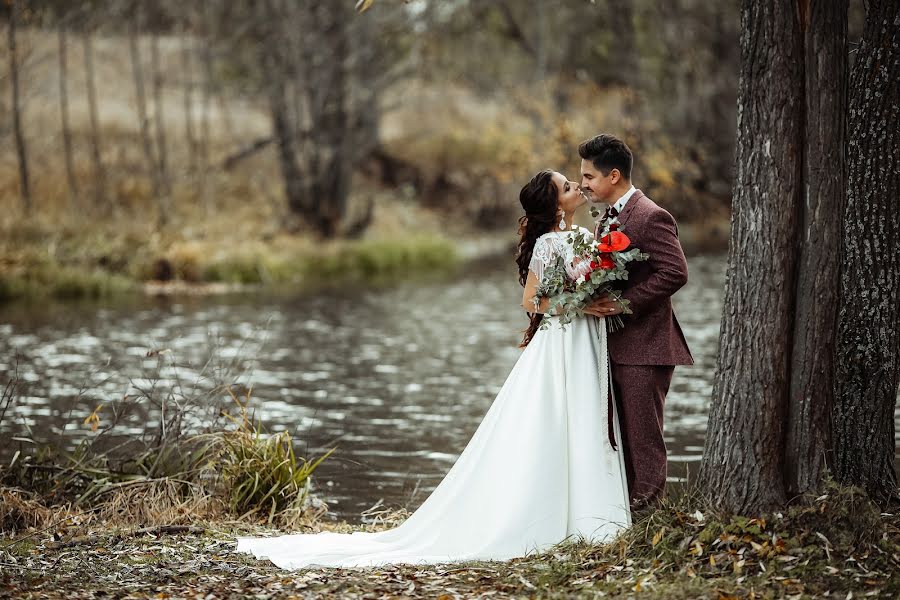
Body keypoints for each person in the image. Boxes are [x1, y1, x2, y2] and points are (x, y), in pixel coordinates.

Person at [235, 169, 631, 569]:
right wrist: (579, 305)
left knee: (586, 416)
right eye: (566, 186)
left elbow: (597, 275)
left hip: (587, 341)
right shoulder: (548, 245)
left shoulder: (585, 237)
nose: (575, 187)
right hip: (560, 342)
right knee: (555, 418)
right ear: (554, 206)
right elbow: (532, 302)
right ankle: (549, 515)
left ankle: (591, 515)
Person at [579, 134, 694, 511]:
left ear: (613, 176)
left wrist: (623, 304)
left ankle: (647, 520)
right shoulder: (607, 220)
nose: (583, 184)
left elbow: (675, 272)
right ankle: (624, 515)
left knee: (644, 439)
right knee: (621, 437)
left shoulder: (650, 215)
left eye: (589, 177)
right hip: (616, 346)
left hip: (647, 347)